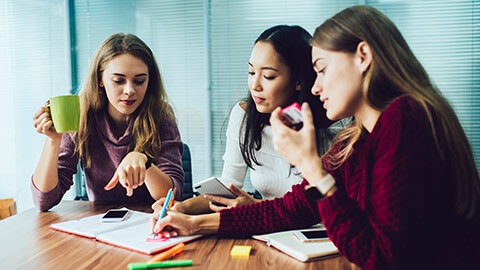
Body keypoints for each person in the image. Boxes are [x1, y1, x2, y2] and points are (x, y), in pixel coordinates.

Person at [151, 6, 480, 269]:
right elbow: (290, 209)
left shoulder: (404, 119)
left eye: (321, 69)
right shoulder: (360, 138)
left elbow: (382, 257)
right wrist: (195, 225)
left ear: (363, 57)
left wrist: (311, 166)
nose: (316, 86)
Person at [153, 25, 343, 214]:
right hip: (267, 228)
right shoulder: (244, 115)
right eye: (251, 72)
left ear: (299, 81)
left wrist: (256, 209)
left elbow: (326, 206)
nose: (254, 85)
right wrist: (181, 208)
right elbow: (228, 189)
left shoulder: (335, 127)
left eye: (268, 76)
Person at [32, 33, 184, 211]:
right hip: (99, 223)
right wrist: (53, 140)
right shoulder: (82, 114)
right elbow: (44, 201)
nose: (130, 90)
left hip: (151, 223)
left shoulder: (161, 114)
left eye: (140, 81)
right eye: (119, 81)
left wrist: (144, 161)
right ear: (100, 80)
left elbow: (172, 196)